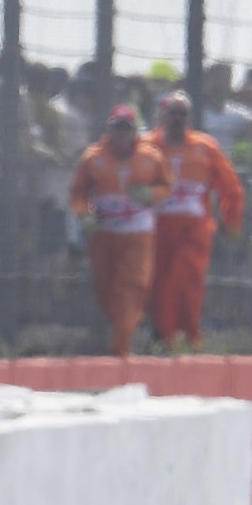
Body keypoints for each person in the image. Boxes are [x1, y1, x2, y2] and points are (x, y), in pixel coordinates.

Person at [68, 104, 172, 356]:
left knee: (133, 285)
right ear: (109, 129)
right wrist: (84, 215)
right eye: (118, 128)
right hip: (104, 231)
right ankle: (117, 333)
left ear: (135, 131)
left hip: (138, 231)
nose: (122, 134)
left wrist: (150, 194)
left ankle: (121, 346)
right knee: (105, 288)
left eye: (127, 128)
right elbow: (78, 191)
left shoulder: (152, 156)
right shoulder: (93, 157)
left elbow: (166, 186)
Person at [146, 90, 244, 350]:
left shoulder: (206, 146)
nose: (177, 119)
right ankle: (164, 336)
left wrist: (231, 221)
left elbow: (230, 187)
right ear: (162, 115)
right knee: (160, 282)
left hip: (194, 227)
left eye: (182, 114)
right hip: (156, 227)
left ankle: (189, 335)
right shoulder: (147, 147)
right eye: (172, 113)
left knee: (187, 275)